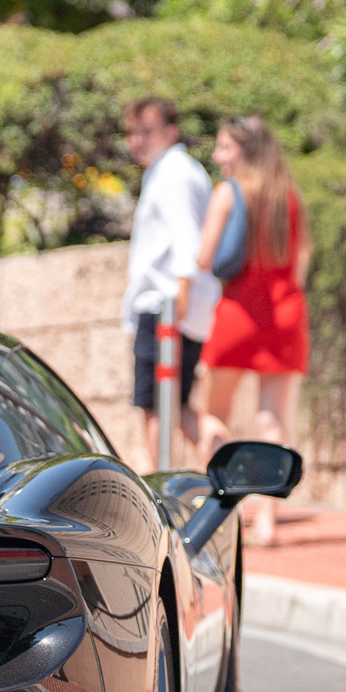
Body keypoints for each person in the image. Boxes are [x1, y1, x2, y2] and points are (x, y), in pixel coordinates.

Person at [197, 115, 307, 544]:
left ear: (245, 150)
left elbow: (206, 258)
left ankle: (218, 516)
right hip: (285, 314)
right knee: (273, 420)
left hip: (240, 312)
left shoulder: (229, 192)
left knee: (213, 414)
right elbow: (298, 264)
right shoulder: (290, 197)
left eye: (225, 147)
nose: (218, 156)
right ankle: (267, 521)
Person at [118, 94, 222, 467]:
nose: (136, 140)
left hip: (167, 305)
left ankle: (162, 497)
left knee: (156, 405)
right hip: (175, 303)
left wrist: (179, 295)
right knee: (173, 404)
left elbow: (186, 238)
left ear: (171, 131)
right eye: (132, 132)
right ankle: (222, 459)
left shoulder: (173, 172)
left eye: (146, 131)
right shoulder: (170, 170)